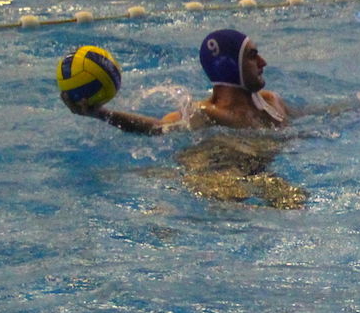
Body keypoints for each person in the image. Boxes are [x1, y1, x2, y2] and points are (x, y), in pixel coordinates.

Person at [61, 28, 306, 208]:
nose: (263, 62)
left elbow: (315, 119)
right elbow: (158, 128)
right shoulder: (205, 115)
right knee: (230, 195)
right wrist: (99, 113)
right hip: (214, 178)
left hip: (260, 175)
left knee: (294, 201)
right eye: (252, 56)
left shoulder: (272, 103)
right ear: (230, 66)